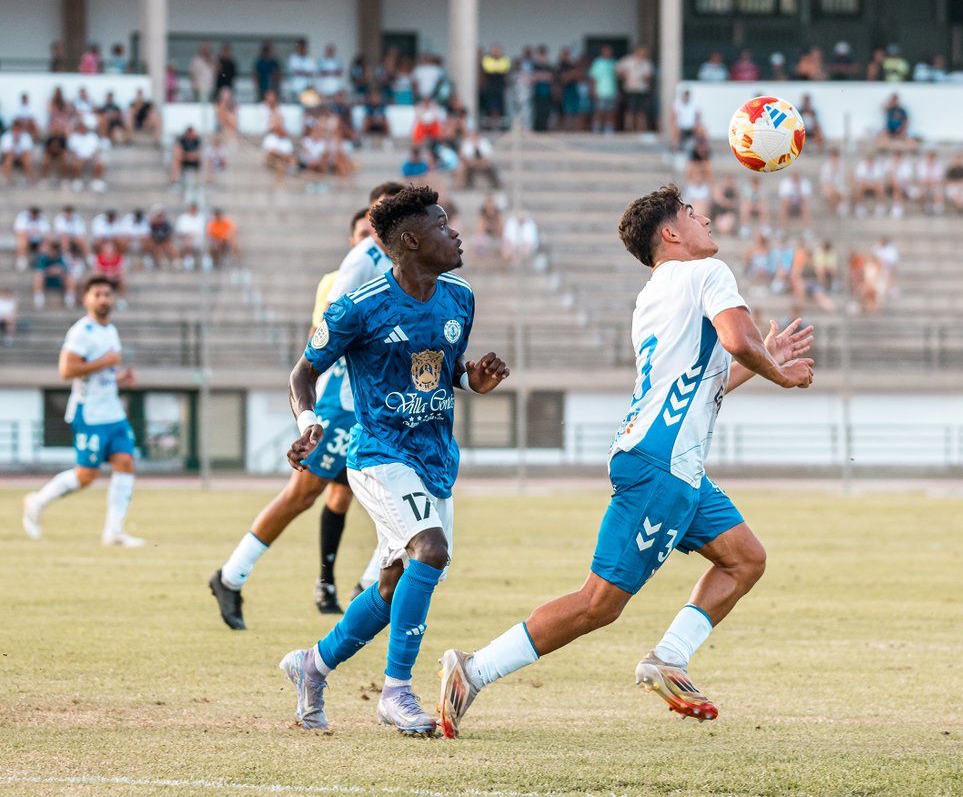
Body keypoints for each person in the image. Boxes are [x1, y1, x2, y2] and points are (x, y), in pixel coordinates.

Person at [435, 184, 814, 738]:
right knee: (598, 603)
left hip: (668, 462)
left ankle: (669, 659)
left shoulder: (653, 296)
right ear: (670, 233)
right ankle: (473, 670)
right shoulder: (710, 275)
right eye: (690, 213)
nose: (703, 218)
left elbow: (696, 384)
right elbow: (736, 338)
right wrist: (777, 371)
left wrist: (760, 362)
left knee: (744, 558)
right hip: (662, 466)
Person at [275, 185, 510, 734]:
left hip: (435, 457)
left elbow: (439, 367)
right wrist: (308, 425)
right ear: (409, 240)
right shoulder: (358, 307)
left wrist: (471, 379)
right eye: (442, 224)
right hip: (379, 454)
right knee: (430, 551)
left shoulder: (460, 297)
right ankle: (396, 692)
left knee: (391, 584)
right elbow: (303, 374)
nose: (454, 233)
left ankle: (312, 665)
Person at [210, 184, 404, 630]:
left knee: (384, 491)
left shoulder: (397, 262)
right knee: (304, 494)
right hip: (344, 401)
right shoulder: (359, 264)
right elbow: (331, 328)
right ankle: (231, 576)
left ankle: (364, 587)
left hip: (377, 401)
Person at [22, 275, 143, 546]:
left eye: (107, 294)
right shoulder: (81, 332)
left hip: (113, 412)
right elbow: (67, 370)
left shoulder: (110, 330)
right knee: (86, 476)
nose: (103, 299)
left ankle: (113, 531)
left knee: (125, 463)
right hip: (89, 414)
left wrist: (120, 377)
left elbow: (102, 373)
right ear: (86, 299)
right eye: (97, 294)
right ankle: (38, 500)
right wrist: (105, 361)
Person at [617, 45, 655, 133]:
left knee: (642, 111)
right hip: (630, 89)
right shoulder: (628, 61)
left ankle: (640, 129)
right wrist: (624, 77)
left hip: (642, 89)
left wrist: (647, 78)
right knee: (630, 110)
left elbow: (650, 75)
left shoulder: (646, 63)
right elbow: (618, 70)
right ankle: (629, 129)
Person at [33, 240, 76, 309]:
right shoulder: (43, 258)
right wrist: (50, 270)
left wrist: (59, 271)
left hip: (59, 280)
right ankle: (39, 297)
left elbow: (67, 269)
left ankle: (70, 297)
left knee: (69, 277)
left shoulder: (62, 258)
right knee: (38, 276)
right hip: (46, 280)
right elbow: (39, 270)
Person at [589, 45, 618, 134]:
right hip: (600, 91)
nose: (608, 53)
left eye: (609, 51)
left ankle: (608, 128)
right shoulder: (597, 63)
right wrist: (593, 90)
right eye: (606, 51)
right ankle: (596, 128)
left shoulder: (614, 63)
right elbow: (593, 78)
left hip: (611, 91)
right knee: (599, 110)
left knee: (610, 111)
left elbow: (617, 78)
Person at [2, 119, 38, 185]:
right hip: (11, 157)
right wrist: (14, 142)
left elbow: (27, 151)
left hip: (22, 157)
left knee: (26, 158)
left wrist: (19, 142)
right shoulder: (6, 137)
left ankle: (30, 180)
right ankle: (8, 180)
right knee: (9, 158)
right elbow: (6, 152)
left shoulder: (26, 136)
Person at [14, 206, 50, 270]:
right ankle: (22, 260)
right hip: (27, 238)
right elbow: (19, 232)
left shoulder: (42, 218)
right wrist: (33, 234)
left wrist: (35, 234)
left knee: (47, 241)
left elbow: (46, 233)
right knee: (23, 241)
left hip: (39, 239)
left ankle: (42, 261)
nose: (34, 217)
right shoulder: (22, 217)